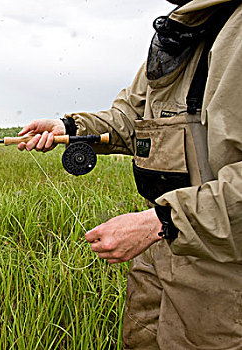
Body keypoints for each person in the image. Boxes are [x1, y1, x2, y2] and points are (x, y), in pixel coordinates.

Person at [18, 0, 242, 348]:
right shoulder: (183, 29)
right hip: (158, 252)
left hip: (223, 273)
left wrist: (161, 221)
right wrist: (69, 127)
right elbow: (130, 118)